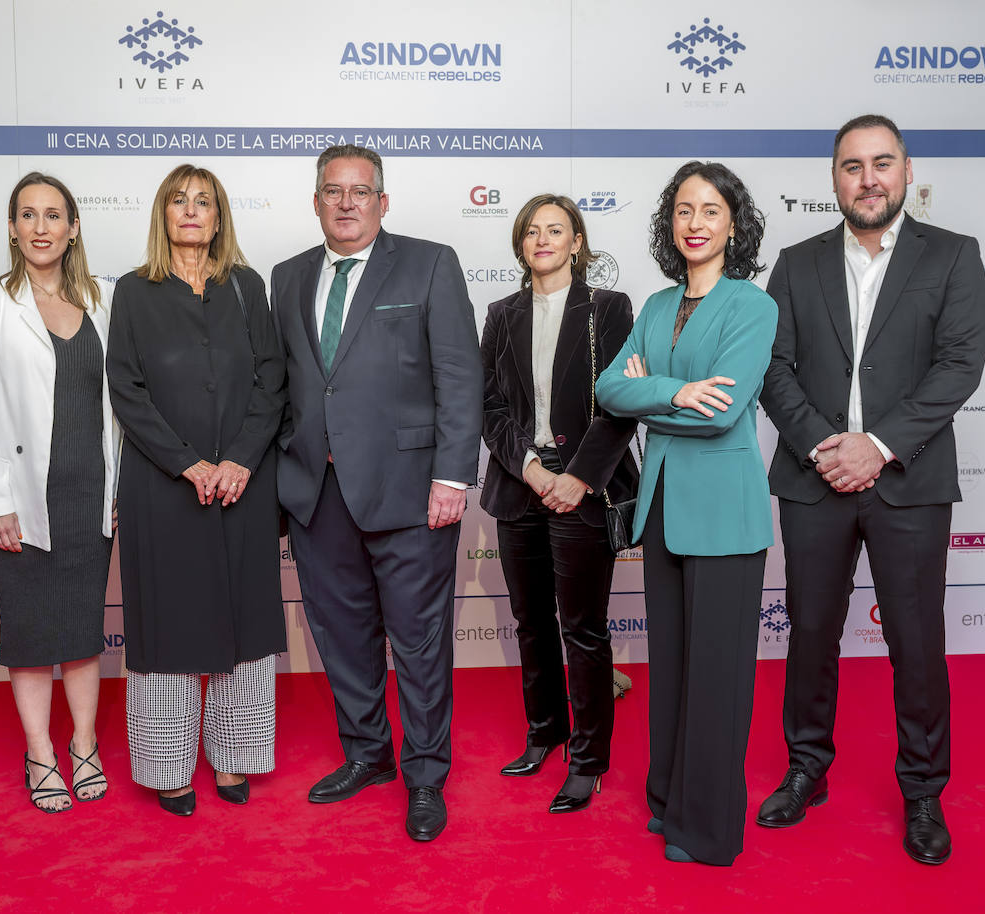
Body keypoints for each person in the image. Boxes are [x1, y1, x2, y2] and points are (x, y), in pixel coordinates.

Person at [757, 114, 985, 866]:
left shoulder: (953, 256)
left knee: (916, 644)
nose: (868, 178)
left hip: (909, 481)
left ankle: (923, 790)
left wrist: (878, 446)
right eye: (852, 165)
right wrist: (826, 448)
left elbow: (958, 365)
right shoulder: (795, 263)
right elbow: (773, 367)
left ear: (906, 170)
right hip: (813, 477)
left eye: (881, 162)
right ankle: (806, 769)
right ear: (833, 179)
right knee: (811, 633)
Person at [270, 144, 482, 842]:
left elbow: (458, 375)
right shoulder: (287, 276)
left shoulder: (429, 262)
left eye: (362, 191)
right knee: (342, 638)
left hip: (410, 492)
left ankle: (425, 775)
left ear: (383, 201)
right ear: (316, 201)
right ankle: (368, 755)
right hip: (317, 492)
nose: (347, 202)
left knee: (418, 644)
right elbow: (288, 389)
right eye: (333, 190)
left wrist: (452, 476)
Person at [595, 162, 776, 865]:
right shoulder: (654, 306)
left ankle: (707, 828)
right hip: (665, 506)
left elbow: (725, 409)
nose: (694, 223)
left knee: (718, 674)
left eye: (709, 210)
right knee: (671, 665)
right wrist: (679, 391)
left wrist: (654, 394)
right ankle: (668, 800)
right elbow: (611, 390)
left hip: (725, 514)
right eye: (682, 211)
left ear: (735, 223)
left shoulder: (752, 306)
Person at [106, 164, 287, 815]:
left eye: (202, 201)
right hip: (164, 488)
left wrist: (239, 459)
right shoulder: (132, 290)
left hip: (245, 485)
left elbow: (272, 380)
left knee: (246, 619)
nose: (190, 211)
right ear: (162, 213)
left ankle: (235, 757)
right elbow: (125, 388)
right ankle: (168, 767)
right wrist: (188, 463)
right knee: (168, 625)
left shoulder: (245, 285)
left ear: (218, 217)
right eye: (178, 201)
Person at [0, 173, 118, 813]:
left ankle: (85, 746)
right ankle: (40, 753)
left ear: (74, 226)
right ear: (12, 228)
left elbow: (119, 405)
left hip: (91, 495)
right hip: (18, 500)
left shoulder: (102, 300)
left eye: (54, 215)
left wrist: (122, 485)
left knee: (80, 630)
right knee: (28, 632)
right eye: (28, 215)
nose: (41, 227)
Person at [479, 194, 639, 813]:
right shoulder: (500, 313)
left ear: (577, 242)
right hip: (520, 487)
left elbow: (622, 402)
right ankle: (544, 732)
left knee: (583, 629)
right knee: (531, 624)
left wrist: (578, 479)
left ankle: (589, 757)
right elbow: (489, 405)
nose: (542, 239)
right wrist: (527, 466)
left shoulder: (608, 309)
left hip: (584, 492)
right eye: (531, 231)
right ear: (521, 245)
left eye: (556, 230)